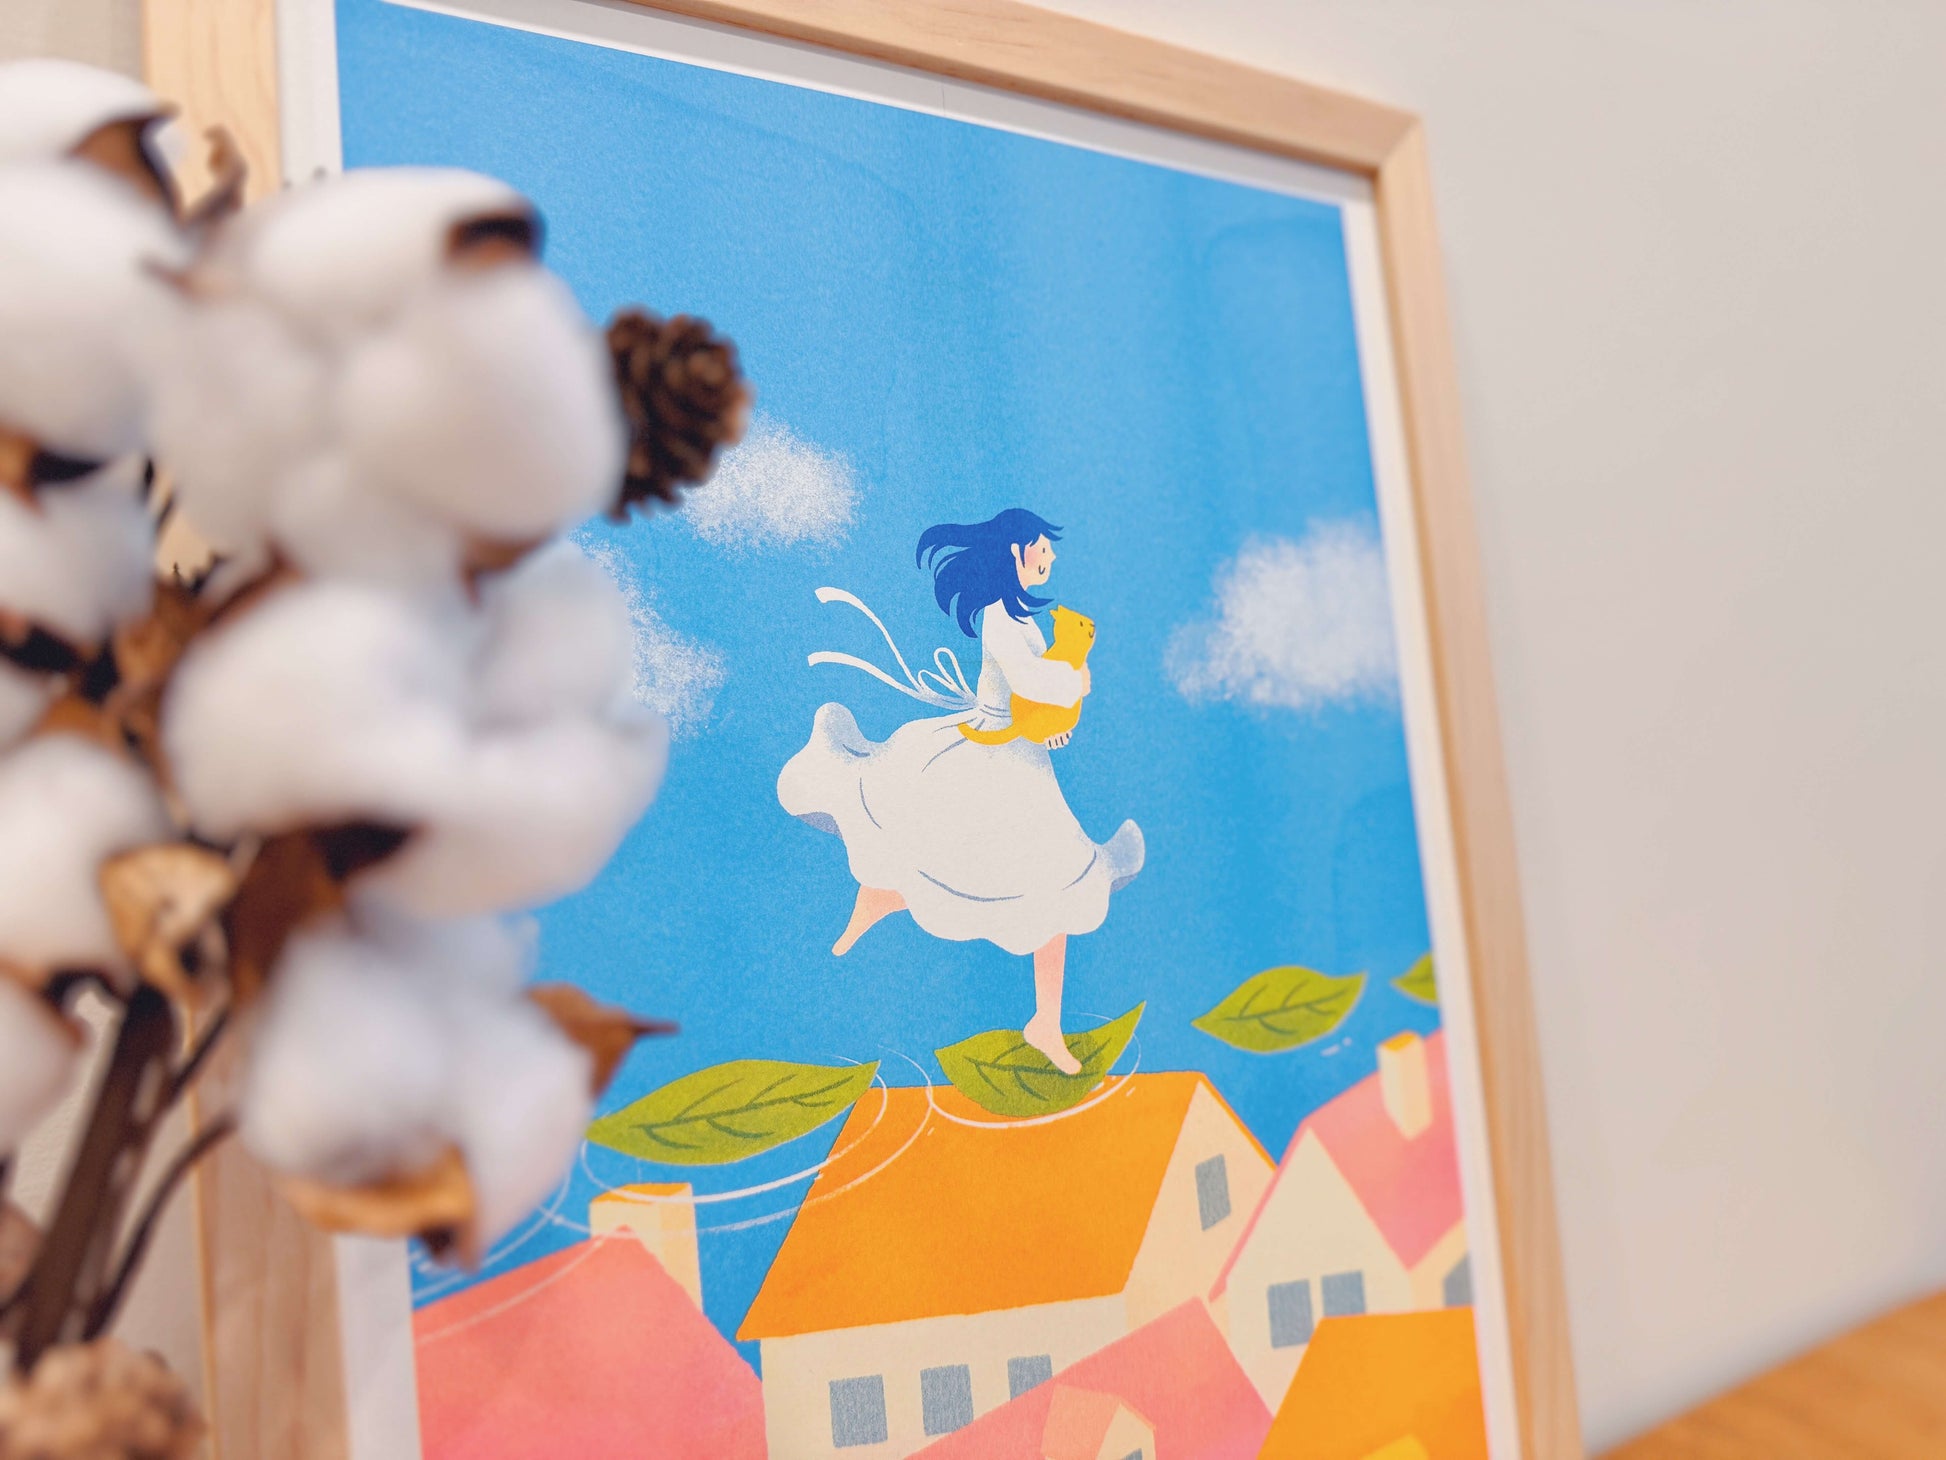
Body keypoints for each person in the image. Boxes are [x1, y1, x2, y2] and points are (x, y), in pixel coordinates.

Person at [777, 508, 1144, 1074]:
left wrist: (1057, 721)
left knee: (1049, 885)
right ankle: (875, 901)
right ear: (1015, 552)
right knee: (957, 854)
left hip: (1023, 757)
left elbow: (1034, 699)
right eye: (1042, 547)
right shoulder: (1000, 617)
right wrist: (1076, 680)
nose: (1050, 556)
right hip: (990, 753)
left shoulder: (1020, 615)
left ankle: (1045, 1022)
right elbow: (1026, 679)